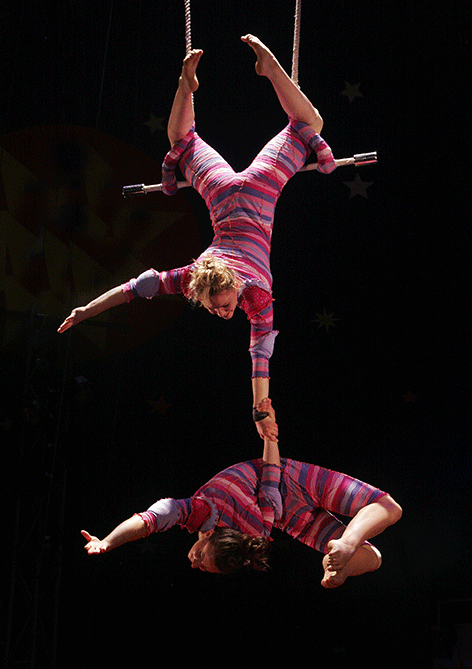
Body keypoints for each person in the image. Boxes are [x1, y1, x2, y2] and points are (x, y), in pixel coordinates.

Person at [58, 35, 337, 442]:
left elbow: (260, 359)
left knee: (309, 125)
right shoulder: (195, 278)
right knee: (187, 141)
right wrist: (86, 310)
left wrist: (262, 409)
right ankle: (206, 81)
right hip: (226, 192)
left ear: (230, 284)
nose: (221, 312)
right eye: (215, 308)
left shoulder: (254, 294)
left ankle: (257, 72)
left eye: (220, 306)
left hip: (256, 190)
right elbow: (134, 288)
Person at [81, 399, 402, 588]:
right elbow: (152, 517)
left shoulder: (234, 530)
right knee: (386, 509)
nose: (195, 565)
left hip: (289, 512)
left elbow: (150, 519)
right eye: (205, 566)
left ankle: (340, 562)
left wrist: (109, 541)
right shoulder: (203, 513)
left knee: (374, 558)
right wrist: (269, 433)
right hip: (292, 481)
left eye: (202, 565)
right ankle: (343, 550)